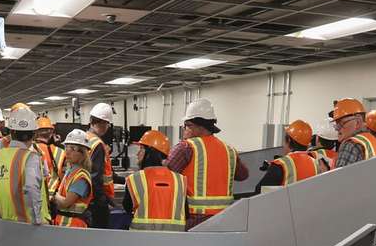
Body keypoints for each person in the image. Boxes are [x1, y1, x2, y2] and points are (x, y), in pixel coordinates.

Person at [163, 98, 248, 228]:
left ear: (199, 125)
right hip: (224, 220)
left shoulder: (186, 147)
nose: (185, 129)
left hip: (194, 221)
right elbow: (243, 175)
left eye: (187, 125)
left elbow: (165, 177)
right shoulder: (229, 150)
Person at [123, 130, 185, 231]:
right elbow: (185, 212)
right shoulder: (180, 180)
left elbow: (127, 208)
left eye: (141, 149)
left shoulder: (134, 179)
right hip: (174, 238)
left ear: (151, 152)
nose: (137, 154)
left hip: (141, 237)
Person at [255, 120, 320, 194]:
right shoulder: (316, 164)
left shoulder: (281, 165)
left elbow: (259, 192)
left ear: (288, 140)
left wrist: (273, 170)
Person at [81, 102, 117, 229]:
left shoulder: (84, 138)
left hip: (84, 197)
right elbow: (95, 177)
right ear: (104, 123)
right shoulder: (98, 144)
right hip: (96, 203)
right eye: (107, 124)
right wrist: (103, 201)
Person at [329, 98, 376, 169]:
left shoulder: (351, 145)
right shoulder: (374, 144)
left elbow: (341, 176)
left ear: (358, 122)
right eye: (336, 125)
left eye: (341, 123)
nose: (337, 128)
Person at [53, 129, 94, 228]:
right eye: (66, 147)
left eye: (73, 148)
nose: (67, 152)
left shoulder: (81, 177)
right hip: (63, 224)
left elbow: (65, 203)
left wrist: (53, 195)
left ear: (83, 153)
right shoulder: (70, 170)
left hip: (74, 226)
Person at [32, 116, 63, 190]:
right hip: (54, 192)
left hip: (35, 191)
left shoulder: (29, 149)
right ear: (51, 133)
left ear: (35, 132)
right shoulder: (61, 151)